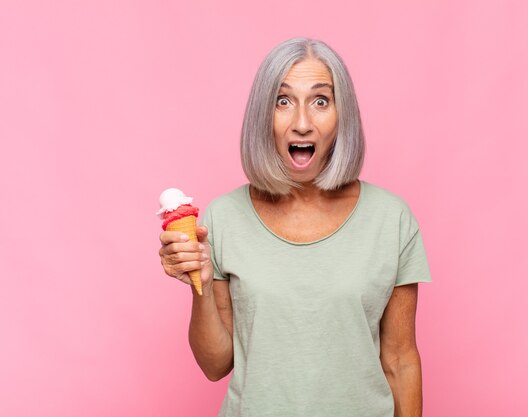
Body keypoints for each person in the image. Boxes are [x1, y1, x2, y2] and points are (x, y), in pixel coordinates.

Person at [158, 37, 432, 417]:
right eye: (282, 101)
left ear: (343, 115)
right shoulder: (223, 218)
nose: (302, 123)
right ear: (262, 116)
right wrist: (199, 284)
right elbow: (215, 364)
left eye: (321, 101)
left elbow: (401, 360)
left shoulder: (391, 219)